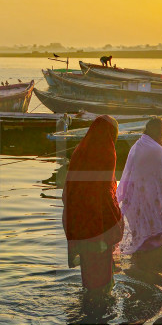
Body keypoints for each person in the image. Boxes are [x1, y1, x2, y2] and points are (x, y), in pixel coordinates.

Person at [63, 115, 123, 290]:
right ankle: (101, 307)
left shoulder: (80, 151)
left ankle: (89, 300)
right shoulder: (106, 152)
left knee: (88, 268)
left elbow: (70, 191)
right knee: (102, 272)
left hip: (80, 222)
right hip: (99, 223)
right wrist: (114, 222)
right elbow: (105, 192)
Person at [117, 117, 162, 256]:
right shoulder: (157, 150)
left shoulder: (138, 145)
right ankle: (151, 264)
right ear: (159, 133)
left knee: (140, 239)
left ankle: (138, 263)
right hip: (150, 202)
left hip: (136, 202)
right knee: (153, 239)